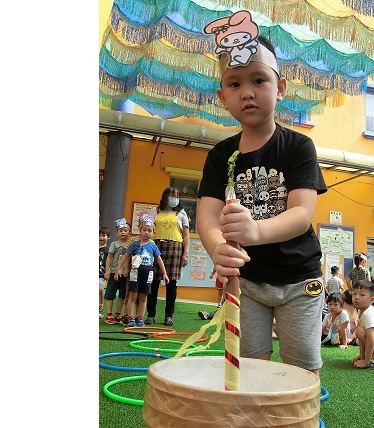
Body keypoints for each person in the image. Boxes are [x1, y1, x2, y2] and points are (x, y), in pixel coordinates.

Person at [197, 20, 327, 375]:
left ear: (280, 87)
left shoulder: (299, 146)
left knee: (302, 366)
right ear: (223, 97)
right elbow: (206, 216)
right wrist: (216, 248)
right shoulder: (220, 155)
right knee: (249, 365)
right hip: (246, 281)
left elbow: (301, 214)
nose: (247, 92)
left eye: (259, 80)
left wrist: (254, 231)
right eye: (235, 84)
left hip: (299, 279)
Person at [145, 186, 190, 326]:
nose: (174, 199)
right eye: (172, 196)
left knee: (171, 284)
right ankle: (150, 315)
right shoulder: (155, 211)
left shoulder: (182, 213)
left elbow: (186, 235)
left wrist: (186, 253)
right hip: (155, 247)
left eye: (177, 196)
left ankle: (168, 316)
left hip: (175, 249)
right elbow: (147, 228)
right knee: (153, 282)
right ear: (165, 197)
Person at [116, 213, 169, 327]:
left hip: (147, 273)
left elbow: (159, 259)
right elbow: (125, 256)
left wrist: (164, 273)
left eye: (149, 230)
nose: (146, 232)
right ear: (140, 230)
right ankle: (130, 318)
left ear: (153, 232)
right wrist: (118, 269)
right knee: (132, 295)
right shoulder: (134, 244)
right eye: (144, 230)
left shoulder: (153, 246)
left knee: (143, 297)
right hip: (135, 273)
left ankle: (140, 318)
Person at [103, 218, 131, 325]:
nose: (123, 232)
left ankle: (118, 314)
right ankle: (109, 314)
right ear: (116, 232)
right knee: (110, 293)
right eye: (120, 230)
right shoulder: (114, 244)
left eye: (125, 230)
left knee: (122, 295)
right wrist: (107, 270)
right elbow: (109, 257)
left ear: (129, 232)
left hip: (125, 274)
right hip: (113, 273)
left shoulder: (131, 245)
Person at [99, 226, 110, 318]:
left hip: (101, 274)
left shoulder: (108, 250)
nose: (101, 237)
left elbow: (109, 262)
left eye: (103, 235)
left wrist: (107, 272)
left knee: (100, 289)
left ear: (108, 237)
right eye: (99, 235)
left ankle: (100, 307)